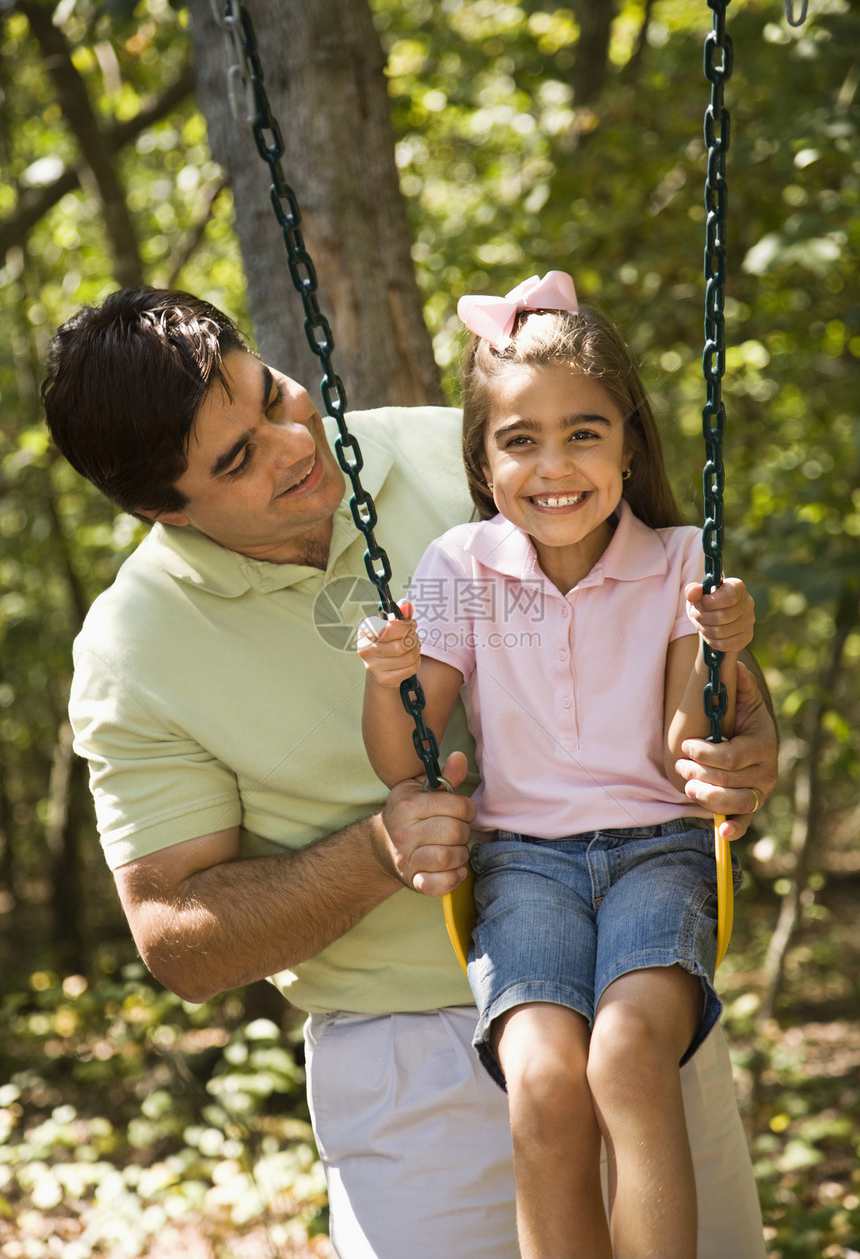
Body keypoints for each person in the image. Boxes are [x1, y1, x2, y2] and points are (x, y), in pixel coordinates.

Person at [41, 285, 774, 1259]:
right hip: (407, 1062)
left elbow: (680, 651)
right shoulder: (135, 650)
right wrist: (378, 849)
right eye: (236, 456)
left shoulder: (477, 444)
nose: (291, 443)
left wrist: (741, 749)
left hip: (634, 990)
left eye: (273, 397)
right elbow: (178, 941)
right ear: (156, 505)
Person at [358, 271, 756, 1259]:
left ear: (628, 439)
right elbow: (404, 754)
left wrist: (725, 648)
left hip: (657, 851)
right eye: (518, 438)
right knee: (542, 1079)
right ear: (482, 458)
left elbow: (681, 744)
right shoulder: (454, 567)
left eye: (582, 430)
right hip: (522, 866)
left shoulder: (680, 562)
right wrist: (391, 676)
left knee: (624, 1058)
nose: (553, 463)